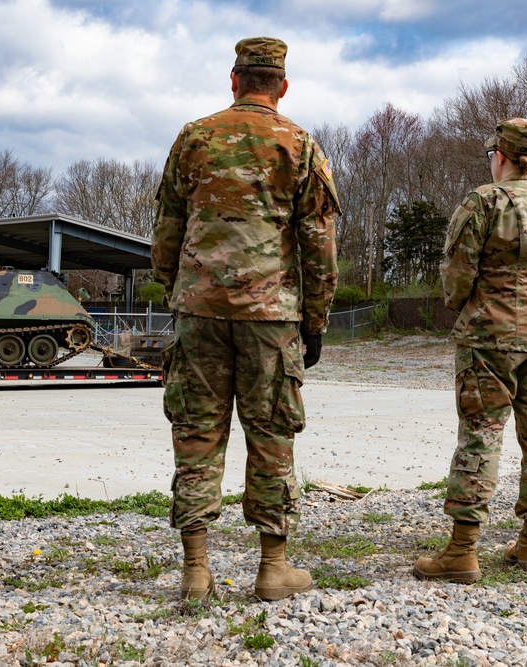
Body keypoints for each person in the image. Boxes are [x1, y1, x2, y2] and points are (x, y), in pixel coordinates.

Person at [151, 36, 340, 601]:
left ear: (233, 80)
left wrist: (176, 290)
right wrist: (315, 319)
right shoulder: (299, 143)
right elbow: (319, 242)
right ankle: (272, 568)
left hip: (200, 311)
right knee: (271, 434)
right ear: (281, 86)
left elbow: (166, 227)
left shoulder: (193, 138)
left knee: (196, 432)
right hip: (270, 316)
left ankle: (196, 569)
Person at [413, 118, 527, 583]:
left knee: (481, 433)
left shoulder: (485, 201)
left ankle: (463, 551)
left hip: (490, 336)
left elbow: (457, 271)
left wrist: (467, 304)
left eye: (492, 154)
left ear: (501, 155)